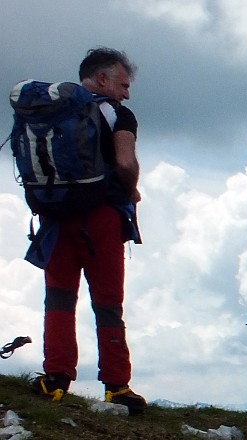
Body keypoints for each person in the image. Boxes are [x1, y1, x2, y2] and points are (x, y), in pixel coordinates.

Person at [27, 47, 146, 413]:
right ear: (102, 78)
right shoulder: (117, 114)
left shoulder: (48, 112)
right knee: (108, 303)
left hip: (56, 217)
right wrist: (131, 188)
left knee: (60, 298)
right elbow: (125, 162)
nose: (127, 93)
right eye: (123, 84)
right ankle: (116, 386)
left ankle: (56, 378)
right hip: (102, 218)